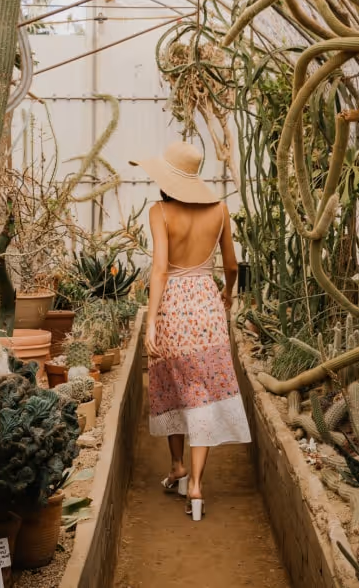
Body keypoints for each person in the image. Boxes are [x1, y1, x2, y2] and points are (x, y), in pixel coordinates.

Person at [129, 141, 251, 521]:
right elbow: (231, 266)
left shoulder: (159, 211)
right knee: (203, 395)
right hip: (207, 306)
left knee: (172, 386)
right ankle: (195, 486)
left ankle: (177, 466)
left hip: (173, 310)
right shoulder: (220, 211)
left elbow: (160, 269)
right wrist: (227, 294)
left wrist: (151, 321)